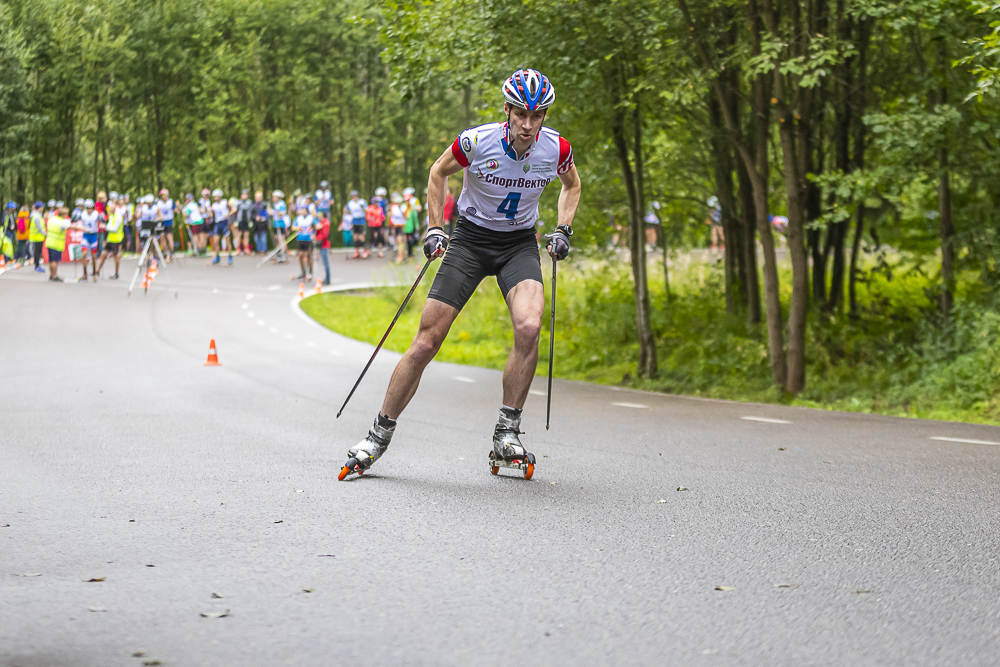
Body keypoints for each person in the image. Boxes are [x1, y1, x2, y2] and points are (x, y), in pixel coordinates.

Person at [343, 68, 581, 478]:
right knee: (427, 340)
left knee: (529, 325)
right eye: (521, 113)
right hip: (470, 240)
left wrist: (563, 230)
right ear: (507, 109)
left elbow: (572, 186)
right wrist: (435, 227)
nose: (528, 124)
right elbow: (438, 172)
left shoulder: (556, 149)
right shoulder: (477, 141)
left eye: (537, 115)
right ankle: (378, 434)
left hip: (518, 244)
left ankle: (507, 433)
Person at [45, 204, 83, 282]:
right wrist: (81, 228)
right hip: (56, 243)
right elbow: (71, 227)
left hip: (49, 242)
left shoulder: (52, 219)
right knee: (55, 261)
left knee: (51, 260)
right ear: (64, 214)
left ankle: (51, 275)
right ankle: (55, 275)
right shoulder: (62, 222)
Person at [97, 195, 125, 279]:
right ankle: (97, 271)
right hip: (110, 239)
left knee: (116, 256)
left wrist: (104, 227)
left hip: (117, 239)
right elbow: (109, 226)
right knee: (104, 254)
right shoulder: (111, 216)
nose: (108, 209)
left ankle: (116, 273)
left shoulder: (118, 217)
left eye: (110, 208)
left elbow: (114, 229)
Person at [291, 205, 317, 280]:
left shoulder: (311, 218)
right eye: (302, 210)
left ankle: (311, 271)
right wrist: (299, 228)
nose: (303, 211)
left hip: (308, 239)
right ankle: (303, 271)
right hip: (300, 239)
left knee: (308, 255)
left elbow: (318, 225)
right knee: (300, 255)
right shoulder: (298, 218)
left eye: (304, 210)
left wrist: (312, 229)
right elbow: (293, 228)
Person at [79, 199, 101, 280]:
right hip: (86, 236)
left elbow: (102, 221)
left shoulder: (96, 214)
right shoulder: (83, 214)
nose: (89, 210)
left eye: (90, 208)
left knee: (93, 256)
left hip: (94, 235)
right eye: (87, 208)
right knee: (84, 254)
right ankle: (85, 273)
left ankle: (94, 271)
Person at [210, 189, 232, 266]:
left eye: (216, 196)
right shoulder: (214, 205)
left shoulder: (225, 202)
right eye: (214, 196)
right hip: (217, 223)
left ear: (220, 196)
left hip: (224, 222)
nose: (215, 198)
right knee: (215, 241)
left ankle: (230, 256)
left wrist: (228, 214)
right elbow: (211, 214)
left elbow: (233, 209)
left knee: (227, 241)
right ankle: (217, 257)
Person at [346, 190, 367, 258]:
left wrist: (363, 208)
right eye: (352, 197)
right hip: (354, 221)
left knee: (361, 236)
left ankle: (364, 250)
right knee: (355, 237)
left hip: (361, 220)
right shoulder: (350, 203)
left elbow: (367, 210)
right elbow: (347, 210)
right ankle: (356, 251)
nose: (354, 198)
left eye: (355, 196)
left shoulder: (362, 202)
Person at [270, 190, 289, 262]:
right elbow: (272, 213)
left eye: (274, 197)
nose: (273, 198)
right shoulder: (275, 204)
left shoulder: (281, 204)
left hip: (281, 223)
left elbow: (281, 213)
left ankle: (284, 255)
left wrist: (275, 210)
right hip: (276, 223)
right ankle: (279, 254)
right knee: (277, 239)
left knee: (282, 239)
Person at [157, 189, 176, 259]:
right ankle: (165, 252)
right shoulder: (158, 203)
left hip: (169, 221)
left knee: (169, 236)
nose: (165, 196)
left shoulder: (171, 202)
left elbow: (176, 210)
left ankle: (171, 251)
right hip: (161, 222)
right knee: (162, 237)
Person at [389, 192, 408, 264]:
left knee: (400, 241)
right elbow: (391, 217)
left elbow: (407, 217)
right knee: (397, 241)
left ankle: (400, 256)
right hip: (395, 226)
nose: (399, 204)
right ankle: (402, 254)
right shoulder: (393, 208)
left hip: (402, 225)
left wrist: (403, 213)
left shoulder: (404, 207)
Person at [234, 189, 254, 255]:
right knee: (239, 235)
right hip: (240, 220)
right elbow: (236, 211)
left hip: (247, 220)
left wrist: (250, 220)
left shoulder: (249, 202)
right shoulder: (239, 202)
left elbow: (251, 211)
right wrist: (236, 220)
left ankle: (246, 248)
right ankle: (238, 249)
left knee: (246, 235)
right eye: (243, 194)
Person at [29, 201, 46, 272]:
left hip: (37, 236)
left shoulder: (37, 215)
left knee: (37, 252)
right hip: (37, 237)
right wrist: (45, 234)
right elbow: (39, 227)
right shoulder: (36, 216)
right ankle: (37, 266)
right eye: (42, 207)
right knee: (37, 252)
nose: (43, 208)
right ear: (39, 208)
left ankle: (37, 265)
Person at [315, 210, 331, 285]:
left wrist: (317, 238)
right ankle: (327, 278)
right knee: (324, 262)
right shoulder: (322, 223)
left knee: (325, 263)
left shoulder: (325, 223)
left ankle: (328, 279)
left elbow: (324, 235)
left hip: (324, 244)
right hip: (323, 244)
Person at [198, 188, 214, 253]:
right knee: (202, 234)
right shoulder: (200, 201)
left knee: (207, 235)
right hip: (202, 219)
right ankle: (202, 248)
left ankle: (204, 249)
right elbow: (200, 211)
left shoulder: (208, 201)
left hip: (207, 219)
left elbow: (210, 212)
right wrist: (206, 210)